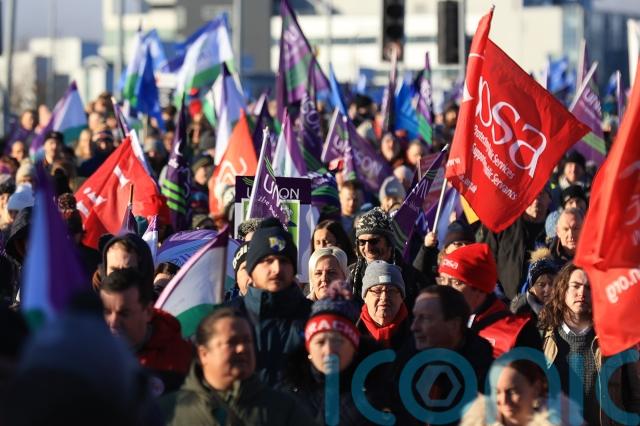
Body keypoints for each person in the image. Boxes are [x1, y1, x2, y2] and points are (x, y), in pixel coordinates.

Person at [160, 308, 314, 425]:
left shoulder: (284, 409)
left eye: (247, 341)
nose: (242, 349)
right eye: (232, 342)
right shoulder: (169, 411)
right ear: (204, 354)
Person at [538, 263, 640, 425]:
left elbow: (636, 395)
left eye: (588, 288)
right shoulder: (543, 337)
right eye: (576, 286)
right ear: (563, 290)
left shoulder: (615, 338)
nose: (582, 293)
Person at [225, 223, 312, 386]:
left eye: (284, 261)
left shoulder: (313, 316)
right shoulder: (227, 317)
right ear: (251, 269)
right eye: (268, 261)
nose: (277, 269)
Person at [438, 243, 542, 358]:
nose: (445, 289)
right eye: (442, 280)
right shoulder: (437, 323)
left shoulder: (519, 333)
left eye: (456, 282)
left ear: (480, 288)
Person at [99, 268, 193, 395]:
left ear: (148, 312)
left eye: (124, 313)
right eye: (107, 312)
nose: (114, 323)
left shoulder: (180, 358)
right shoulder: (87, 355)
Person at [411, 286, 494, 423]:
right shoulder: (407, 359)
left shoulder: (487, 381)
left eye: (425, 318)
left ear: (454, 325)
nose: (414, 327)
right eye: (415, 317)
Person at [350, 207, 428, 307]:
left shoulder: (413, 279)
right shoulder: (350, 276)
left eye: (374, 241)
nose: (367, 248)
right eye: (362, 242)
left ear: (389, 243)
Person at [481, 189, 551, 300]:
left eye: (541, 194)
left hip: (543, 303)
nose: (536, 199)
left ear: (549, 199)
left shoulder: (557, 230)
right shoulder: (504, 225)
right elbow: (486, 261)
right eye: (532, 194)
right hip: (504, 301)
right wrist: (498, 295)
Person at [461, 359, 577, 426]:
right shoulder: (478, 421)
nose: (504, 400)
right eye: (497, 392)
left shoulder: (563, 420)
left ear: (536, 389)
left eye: (512, 392)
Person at [357, 260, 412, 356]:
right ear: (365, 297)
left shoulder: (417, 335)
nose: (384, 297)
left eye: (391, 290)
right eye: (377, 291)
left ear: (402, 298)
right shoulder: (349, 336)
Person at [413, 220, 476, 287]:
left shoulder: (477, 267)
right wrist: (426, 248)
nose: (464, 247)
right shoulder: (435, 265)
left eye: (468, 244)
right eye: (459, 244)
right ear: (447, 248)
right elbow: (416, 277)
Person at [510, 247, 558, 320]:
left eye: (552, 284)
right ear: (531, 288)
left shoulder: (565, 307)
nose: (547, 289)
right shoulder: (521, 311)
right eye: (541, 285)